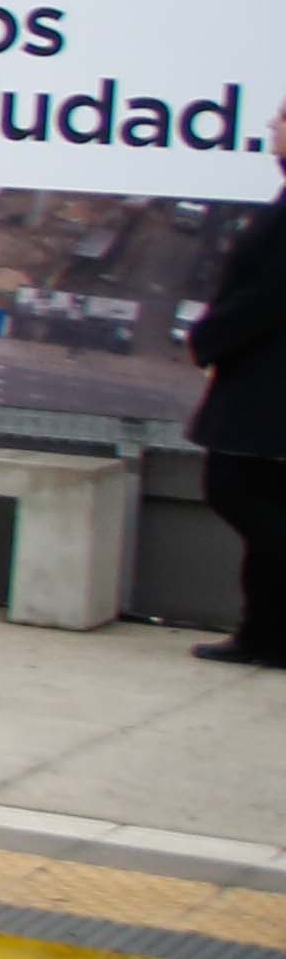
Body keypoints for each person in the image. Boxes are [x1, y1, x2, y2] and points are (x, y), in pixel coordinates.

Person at [185, 108, 286, 661]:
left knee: (235, 488)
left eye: (280, 120)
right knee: (260, 497)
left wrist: (209, 338)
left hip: (266, 379)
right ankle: (264, 633)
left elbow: (268, 296)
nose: (272, 128)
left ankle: (267, 632)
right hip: (262, 374)